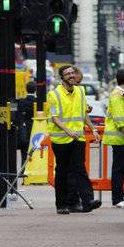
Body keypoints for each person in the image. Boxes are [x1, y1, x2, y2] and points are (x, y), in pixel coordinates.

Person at [47, 64, 97, 214]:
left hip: (78, 138)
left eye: (72, 73)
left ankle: (87, 201)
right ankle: (62, 204)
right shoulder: (54, 95)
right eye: (67, 74)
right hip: (61, 140)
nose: (71, 75)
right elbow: (54, 118)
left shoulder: (81, 91)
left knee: (79, 169)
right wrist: (68, 131)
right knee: (62, 172)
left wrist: (93, 129)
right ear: (61, 77)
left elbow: (83, 113)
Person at [105, 68, 124, 207]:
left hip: (120, 137)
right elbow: (120, 118)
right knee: (119, 169)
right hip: (120, 138)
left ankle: (120, 197)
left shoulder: (121, 94)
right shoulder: (118, 95)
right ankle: (117, 198)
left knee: (121, 168)